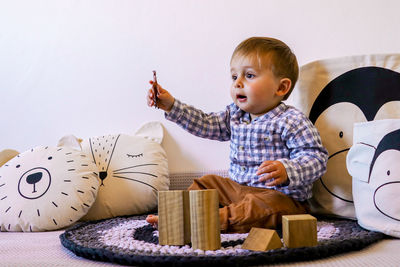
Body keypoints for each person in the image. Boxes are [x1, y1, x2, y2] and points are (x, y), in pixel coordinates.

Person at [146, 37, 328, 233]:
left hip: (281, 198)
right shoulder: (235, 114)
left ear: (281, 87)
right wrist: (172, 105)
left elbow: (316, 158)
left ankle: (203, 222)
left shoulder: (291, 120)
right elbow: (206, 124)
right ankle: (178, 214)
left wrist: (288, 169)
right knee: (206, 183)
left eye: (249, 75)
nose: (238, 83)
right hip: (237, 189)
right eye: (234, 77)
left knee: (255, 208)